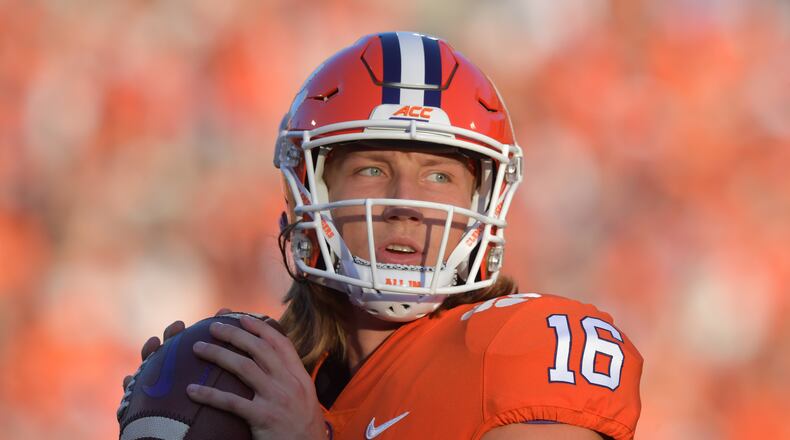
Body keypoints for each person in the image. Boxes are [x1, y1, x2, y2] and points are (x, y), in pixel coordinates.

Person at [123, 32, 642, 439]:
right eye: (371, 169)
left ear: (481, 203)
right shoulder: (270, 374)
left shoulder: (519, 350)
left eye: (439, 176)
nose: (404, 204)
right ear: (312, 192)